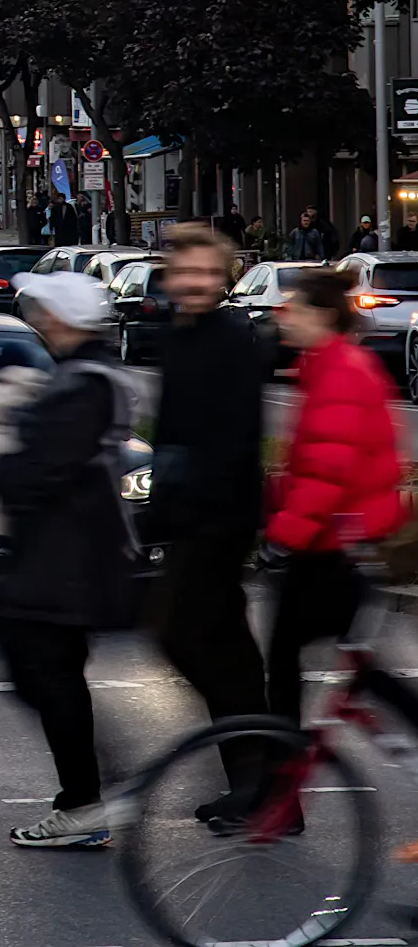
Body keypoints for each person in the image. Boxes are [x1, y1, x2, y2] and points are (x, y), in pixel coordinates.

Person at [0, 271, 139, 849]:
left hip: (65, 559)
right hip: (66, 555)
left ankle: (89, 797)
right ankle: (92, 793)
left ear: (64, 318)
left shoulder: (82, 384)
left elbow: (40, 467)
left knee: (42, 670)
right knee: (53, 673)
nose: (39, 321)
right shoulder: (82, 375)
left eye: (45, 311)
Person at [142, 222, 268, 818]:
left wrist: (182, 504)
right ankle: (256, 778)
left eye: (208, 274)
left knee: (188, 639)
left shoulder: (228, 339)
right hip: (193, 515)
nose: (195, 284)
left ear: (224, 280)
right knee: (222, 648)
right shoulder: (178, 335)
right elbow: (171, 430)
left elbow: (233, 439)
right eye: (186, 273)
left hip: (219, 518)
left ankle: (255, 771)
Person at [263, 267, 405, 730]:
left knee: (285, 653)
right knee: (341, 655)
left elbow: (329, 470)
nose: (284, 318)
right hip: (340, 536)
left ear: (321, 316)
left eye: (293, 309)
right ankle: (280, 773)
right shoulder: (328, 365)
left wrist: (282, 535)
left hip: (334, 539)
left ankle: (279, 772)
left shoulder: (339, 372)